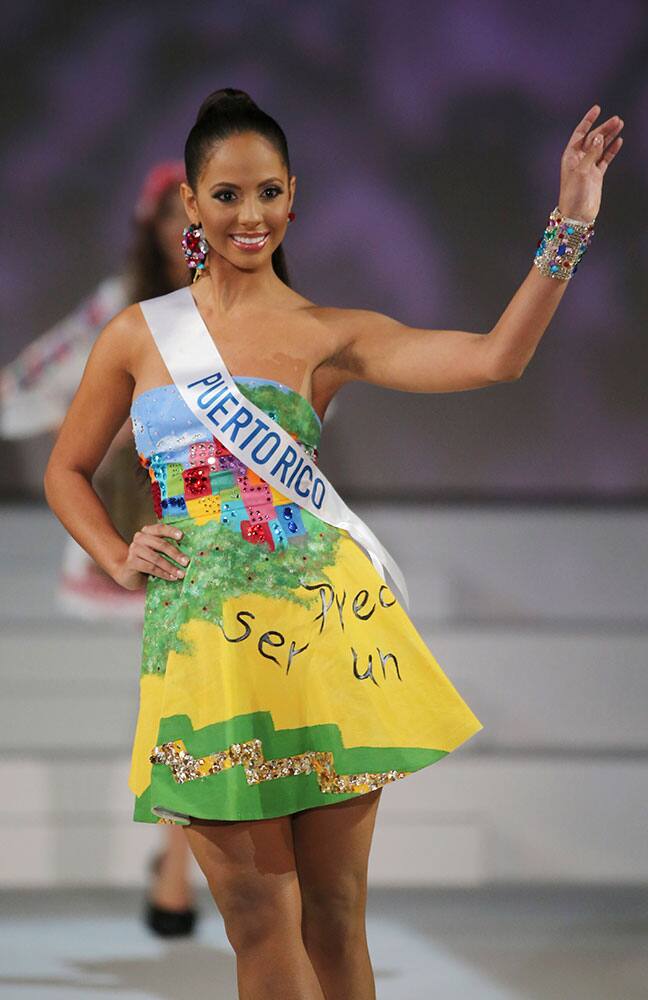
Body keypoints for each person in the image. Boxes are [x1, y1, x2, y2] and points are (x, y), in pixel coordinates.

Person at [43, 88, 623, 999]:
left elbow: (494, 359)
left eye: (268, 192)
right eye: (227, 195)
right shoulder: (137, 335)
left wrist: (569, 225)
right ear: (190, 205)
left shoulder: (328, 334)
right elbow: (66, 471)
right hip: (204, 659)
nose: (250, 214)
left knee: (333, 919)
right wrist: (117, 553)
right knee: (255, 922)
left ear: (293, 197)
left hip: (323, 644)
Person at [1, 160, 201, 936]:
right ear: (150, 224)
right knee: (168, 697)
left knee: (187, 698)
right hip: (140, 527)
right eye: (172, 213)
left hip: (226, 526)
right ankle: (177, 864)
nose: (189, 229)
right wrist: (97, 428)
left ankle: (179, 869)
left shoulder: (249, 306)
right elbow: (21, 387)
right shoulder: (122, 308)